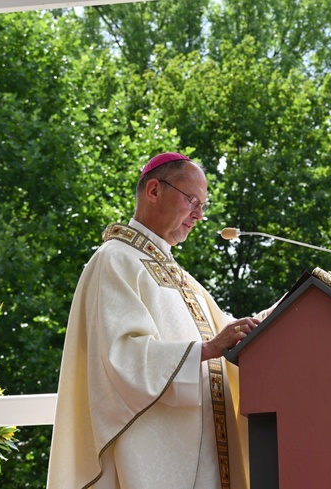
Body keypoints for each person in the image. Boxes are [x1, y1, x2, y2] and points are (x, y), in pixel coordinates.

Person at [48, 152, 273, 488]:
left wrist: (286, 311)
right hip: (156, 461)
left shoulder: (182, 279)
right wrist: (207, 349)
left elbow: (230, 331)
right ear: (154, 190)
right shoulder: (115, 260)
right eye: (192, 200)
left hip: (209, 453)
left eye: (203, 205)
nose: (199, 215)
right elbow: (123, 356)